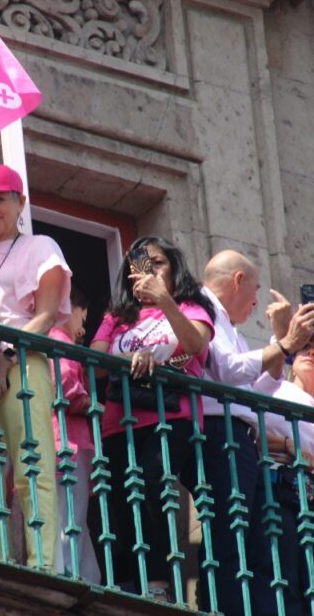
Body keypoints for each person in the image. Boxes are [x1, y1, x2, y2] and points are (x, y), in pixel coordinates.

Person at [0, 164, 71, 569]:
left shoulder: (40, 247)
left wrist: (3, 362)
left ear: (19, 202)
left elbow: (46, 315)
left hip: (22, 362)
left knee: (31, 465)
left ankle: (42, 565)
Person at [200, 250, 314, 614]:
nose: (256, 303)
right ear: (238, 281)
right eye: (254, 292)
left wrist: (282, 343)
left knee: (243, 537)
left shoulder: (231, 329)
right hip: (218, 433)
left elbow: (254, 392)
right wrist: (284, 344)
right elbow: (226, 372)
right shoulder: (204, 309)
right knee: (227, 533)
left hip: (239, 436)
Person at [92, 236, 215, 601]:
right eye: (138, 268)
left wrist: (163, 299)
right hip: (120, 418)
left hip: (170, 415)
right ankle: (133, 582)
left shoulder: (191, 306)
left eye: (157, 263)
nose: (147, 273)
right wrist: (129, 359)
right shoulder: (118, 317)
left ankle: (159, 584)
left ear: (175, 268)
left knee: (149, 483)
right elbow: (97, 362)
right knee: (119, 497)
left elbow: (195, 345)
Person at [260, 325, 314, 616]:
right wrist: (286, 444)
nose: (312, 352)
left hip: (313, 505)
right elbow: (246, 431)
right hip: (273, 487)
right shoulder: (272, 386)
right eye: (308, 345)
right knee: (282, 583)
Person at [48, 287, 100, 583]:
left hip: (58, 442)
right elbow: (65, 383)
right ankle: (68, 578)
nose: (82, 329)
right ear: (70, 307)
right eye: (83, 317)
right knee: (70, 519)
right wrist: (92, 403)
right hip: (66, 444)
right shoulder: (59, 338)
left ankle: (88, 580)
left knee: (74, 521)